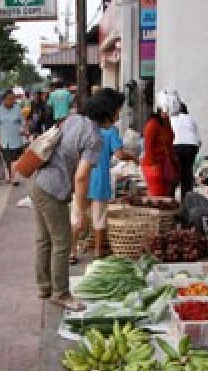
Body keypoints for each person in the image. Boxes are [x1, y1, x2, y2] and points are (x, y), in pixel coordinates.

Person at [31, 88, 123, 310]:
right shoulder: (95, 138)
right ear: (107, 112)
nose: (119, 116)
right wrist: (79, 212)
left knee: (44, 240)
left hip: (38, 182)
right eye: (118, 111)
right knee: (62, 242)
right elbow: (82, 176)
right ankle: (60, 293)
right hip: (53, 189)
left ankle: (45, 287)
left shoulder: (73, 120)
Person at [80, 104, 135, 261]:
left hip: (83, 176)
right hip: (100, 178)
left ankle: (72, 252)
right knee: (99, 216)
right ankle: (98, 251)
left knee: (78, 214)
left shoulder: (87, 130)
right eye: (117, 112)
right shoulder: (111, 132)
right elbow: (120, 154)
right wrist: (134, 158)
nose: (118, 115)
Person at [141, 108, 176, 198]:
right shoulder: (152, 124)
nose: (168, 112)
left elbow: (170, 140)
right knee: (158, 197)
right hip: (153, 165)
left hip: (165, 163)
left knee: (167, 195)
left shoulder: (166, 122)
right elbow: (148, 147)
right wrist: (154, 167)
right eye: (166, 109)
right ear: (159, 110)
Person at [0, 90, 25, 186]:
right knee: (8, 160)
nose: (11, 101)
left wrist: (24, 129)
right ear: (4, 100)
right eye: (9, 99)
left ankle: (14, 177)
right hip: (4, 140)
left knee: (16, 159)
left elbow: (23, 122)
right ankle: (12, 177)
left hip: (16, 138)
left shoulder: (18, 108)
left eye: (13, 99)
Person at [171, 102, 201, 196]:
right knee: (187, 173)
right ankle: (187, 199)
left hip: (176, 145)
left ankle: (170, 198)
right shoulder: (191, 119)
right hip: (192, 145)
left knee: (174, 172)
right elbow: (199, 141)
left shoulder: (171, 119)